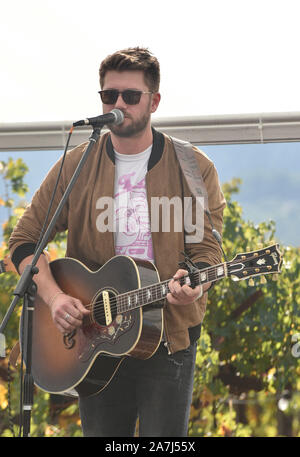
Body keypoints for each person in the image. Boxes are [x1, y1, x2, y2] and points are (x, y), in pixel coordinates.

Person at [9, 47, 226, 437]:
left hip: (167, 336)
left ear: (154, 101)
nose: (119, 104)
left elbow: (207, 252)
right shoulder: (75, 166)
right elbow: (24, 241)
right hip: (93, 339)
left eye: (130, 96)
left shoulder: (193, 167)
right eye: (109, 96)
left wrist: (198, 284)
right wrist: (55, 298)